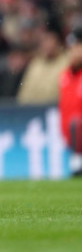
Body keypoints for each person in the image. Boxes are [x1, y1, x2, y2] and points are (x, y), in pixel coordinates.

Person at [59, 25, 82, 177]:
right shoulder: (65, 75)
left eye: (76, 47)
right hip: (71, 137)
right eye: (70, 48)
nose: (72, 52)